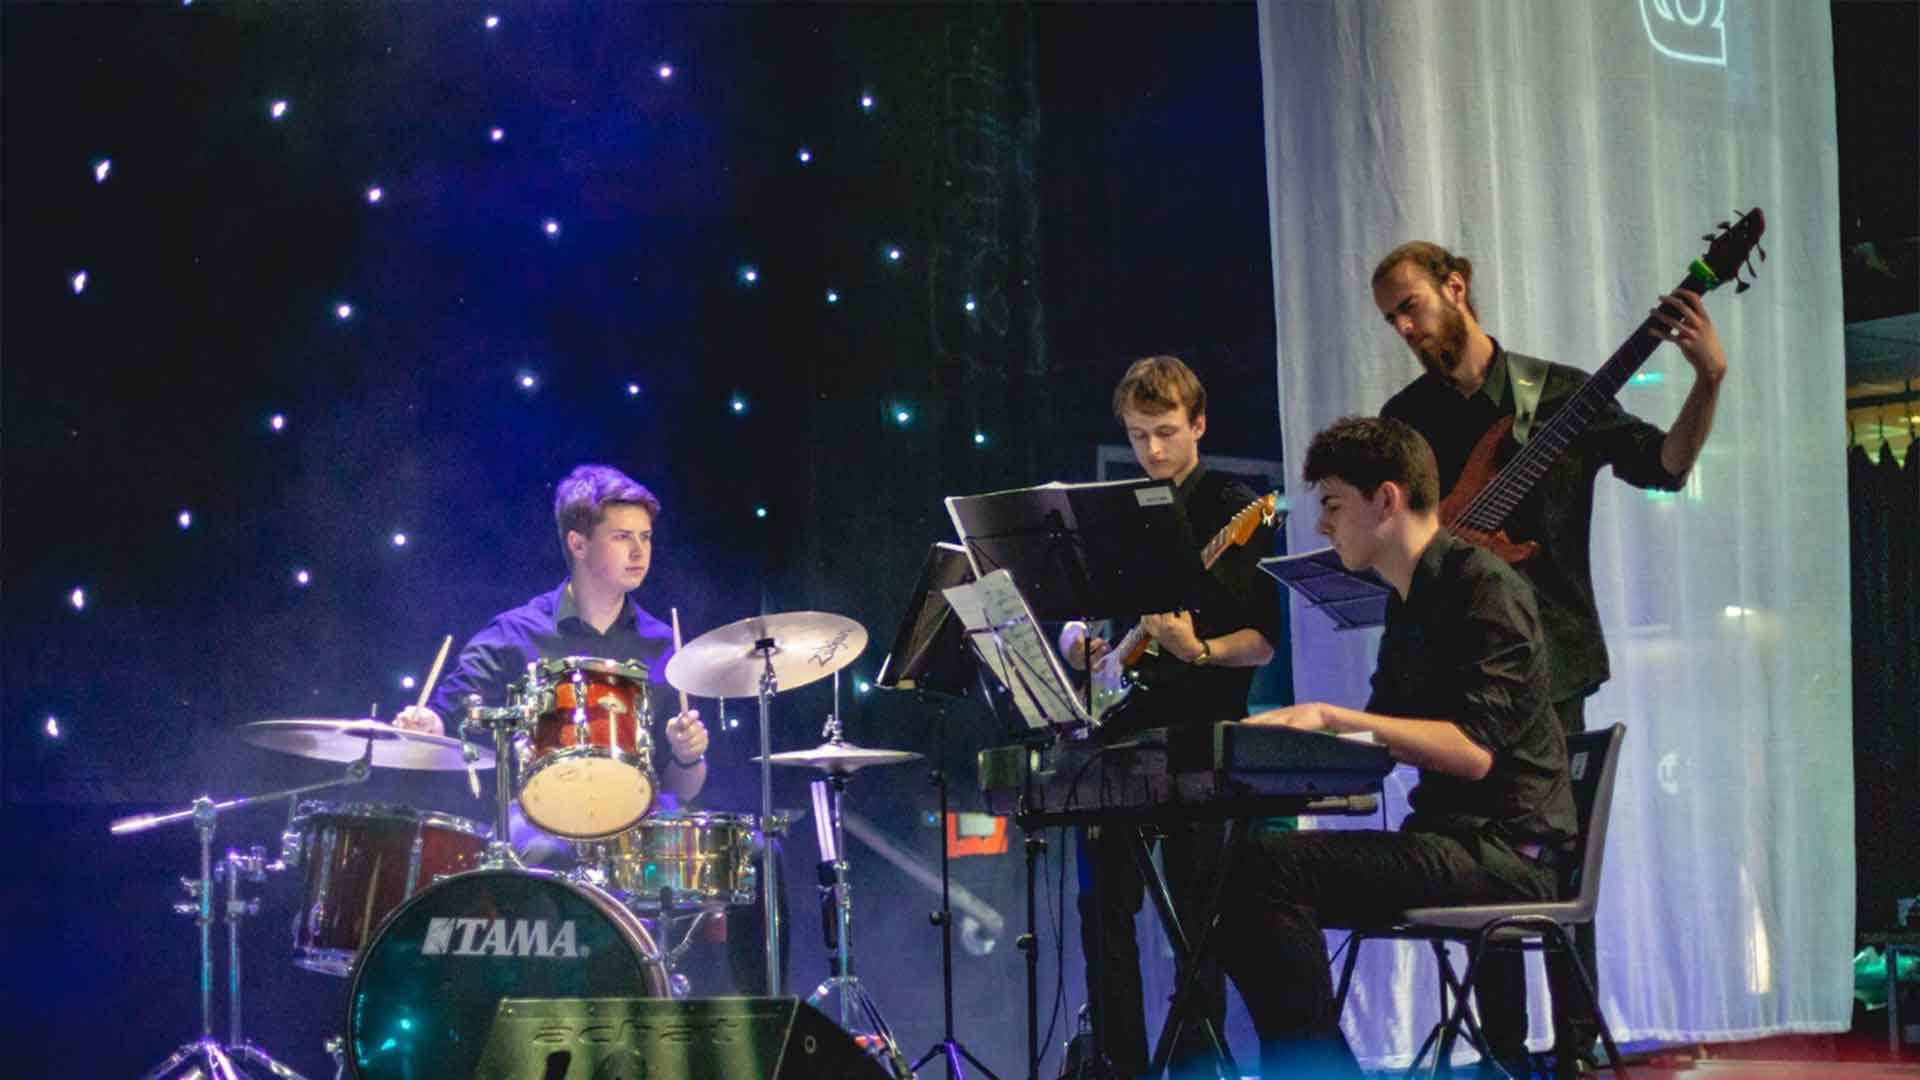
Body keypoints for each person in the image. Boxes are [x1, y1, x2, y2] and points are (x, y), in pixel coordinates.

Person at [1371, 240, 1726, 1073]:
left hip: (1553, 663)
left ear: (1456, 286)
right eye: (1390, 319)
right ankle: (1499, 1050)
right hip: (1450, 674)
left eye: (1410, 306)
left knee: (1556, 858)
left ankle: (1574, 1050)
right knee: (1471, 854)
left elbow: (1665, 467)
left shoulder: (1562, 394)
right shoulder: (1403, 419)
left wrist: (1708, 379)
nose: (1403, 328)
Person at [1216, 415, 1577, 1079]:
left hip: (1506, 852)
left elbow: (1472, 753)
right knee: (1240, 874)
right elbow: (1378, 739)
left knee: (1263, 871)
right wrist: (1276, 749)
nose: (1323, 525)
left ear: (1385, 499)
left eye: (1333, 505)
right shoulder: (1409, 604)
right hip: (1453, 843)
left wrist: (1330, 715)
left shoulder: (1486, 587)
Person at [1055, 355, 1281, 1079]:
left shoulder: (1237, 507)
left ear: (1199, 424)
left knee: (1196, 922)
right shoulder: (1116, 509)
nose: (1152, 450)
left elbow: (1262, 642)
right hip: (1120, 731)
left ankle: (1198, 1066)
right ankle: (1119, 1064)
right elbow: (1082, 613)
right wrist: (1080, 643)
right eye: (1138, 435)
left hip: (1201, 734)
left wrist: (1200, 649)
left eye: (1166, 432)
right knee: (1102, 913)